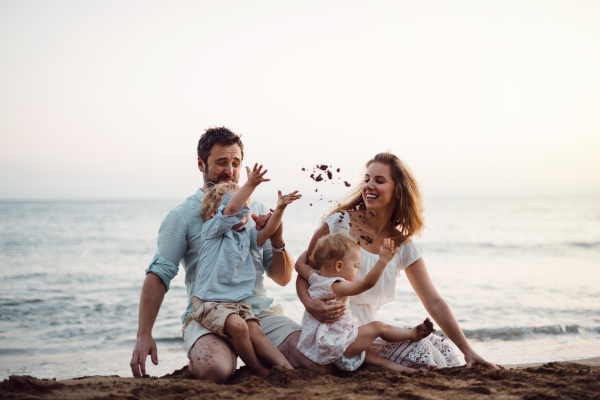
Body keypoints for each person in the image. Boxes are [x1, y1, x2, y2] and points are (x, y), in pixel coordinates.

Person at [131, 127, 337, 383]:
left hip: (257, 311)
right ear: (200, 164)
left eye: (235, 163)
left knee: (317, 364)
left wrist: (277, 239)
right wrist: (144, 335)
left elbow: (282, 278)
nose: (230, 171)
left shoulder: (256, 209)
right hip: (208, 311)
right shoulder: (182, 215)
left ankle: (257, 362)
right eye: (221, 163)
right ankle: (236, 358)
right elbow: (159, 274)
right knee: (214, 370)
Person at [296, 152, 498, 370]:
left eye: (379, 181)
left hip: (372, 326)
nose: (368, 186)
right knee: (422, 353)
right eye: (367, 179)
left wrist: (468, 350)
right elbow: (305, 272)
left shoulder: (401, 245)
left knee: (442, 349)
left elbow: (434, 302)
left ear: (398, 192)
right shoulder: (339, 224)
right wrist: (309, 303)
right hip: (331, 328)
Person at [192, 164, 300, 377]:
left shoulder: (244, 235)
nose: (245, 212)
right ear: (216, 213)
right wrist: (250, 183)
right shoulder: (212, 231)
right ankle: (256, 367)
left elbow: (268, 231)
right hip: (209, 302)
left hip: (236, 302)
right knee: (240, 328)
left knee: (256, 331)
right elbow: (231, 209)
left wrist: (279, 209)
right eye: (241, 206)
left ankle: (288, 371)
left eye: (247, 207)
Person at [296, 233, 435, 372]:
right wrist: (383, 261)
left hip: (327, 345)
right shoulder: (338, 286)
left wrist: (315, 251)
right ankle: (412, 334)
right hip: (340, 346)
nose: (357, 272)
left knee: (375, 358)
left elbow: (299, 265)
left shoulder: (314, 277)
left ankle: (413, 372)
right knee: (378, 326)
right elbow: (367, 283)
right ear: (339, 266)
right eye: (356, 266)